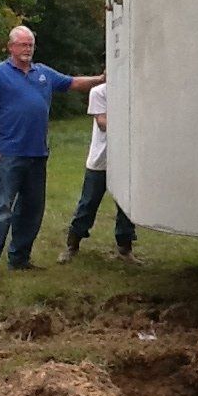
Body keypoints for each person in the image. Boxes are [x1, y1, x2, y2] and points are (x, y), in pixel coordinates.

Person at [0, 25, 104, 278]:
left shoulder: (42, 73)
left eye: (30, 45)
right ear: (11, 47)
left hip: (38, 153)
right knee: (2, 207)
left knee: (32, 208)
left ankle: (20, 258)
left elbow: (73, 82)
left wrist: (100, 80)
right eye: (22, 45)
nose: (27, 50)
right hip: (10, 153)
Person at [57, 81, 139, 264]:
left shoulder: (134, 90)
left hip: (126, 159)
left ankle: (125, 249)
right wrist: (133, 123)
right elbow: (102, 122)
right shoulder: (99, 92)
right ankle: (72, 245)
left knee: (126, 206)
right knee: (88, 203)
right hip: (100, 160)